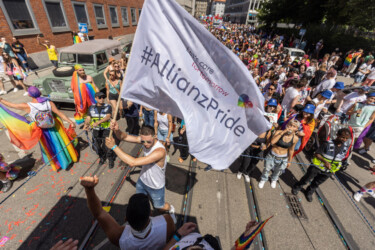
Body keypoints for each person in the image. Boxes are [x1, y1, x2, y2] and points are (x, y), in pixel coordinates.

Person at [80, 176, 175, 250]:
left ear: (126, 219)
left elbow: (99, 213)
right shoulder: (166, 222)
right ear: (150, 213)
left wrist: (89, 190)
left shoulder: (119, 237)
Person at [0, 86, 77, 171]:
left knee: (49, 146)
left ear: (29, 95)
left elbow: (11, 106)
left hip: (42, 131)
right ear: (39, 93)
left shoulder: (27, 106)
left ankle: (57, 161)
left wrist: (1, 100)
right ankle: (65, 158)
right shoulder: (48, 102)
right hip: (54, 127)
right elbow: (59, 113)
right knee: (59, 143)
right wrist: (70, 121)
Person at [105, 122, 175, 214]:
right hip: (142, 181)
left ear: (154, 137)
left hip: (155, 186)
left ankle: (170, 209)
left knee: (160, 207)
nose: (145, 144)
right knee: (141, 204)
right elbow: (124, 137)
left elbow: (133, 162)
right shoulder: (144, 140)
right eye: (143, 141)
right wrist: (116, 129)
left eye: (148, 141)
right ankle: (146, 218)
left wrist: (114, 147)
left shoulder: (160, 151)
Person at [292, 128, 351, 202]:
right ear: (337, 135)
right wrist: (325, 162)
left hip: (328, 171)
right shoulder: (327, 144)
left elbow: (340, 160)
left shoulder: (345, 148)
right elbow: (317, 154)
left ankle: (309, 192)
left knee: (317, 183)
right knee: (306, 179)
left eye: (346, 138)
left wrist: (334, 170)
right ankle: (297, 187)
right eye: (342, 137)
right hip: (317, 167)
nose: (344, 139)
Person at [258, 119, 299, 189]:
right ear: (287, 125)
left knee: (278, 170)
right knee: (267, 169)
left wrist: (289, 160)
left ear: (296, 129)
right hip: (272, 155)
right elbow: (272, 142)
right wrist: (283, 133)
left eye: (294, 126)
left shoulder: (295, 138)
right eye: (290, 125)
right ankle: (264, 179)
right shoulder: (279, 132)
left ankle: (274, 179)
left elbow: (291, 150)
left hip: (283, 158)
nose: (291, 127)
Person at [83, 92, 117, 168]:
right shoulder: (91, 108)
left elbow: (108, 116)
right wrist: (86, 125)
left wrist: (98, 122)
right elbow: (88, 118)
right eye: (100, 97)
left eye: (103, 97)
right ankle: (102, 157)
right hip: (96, 131)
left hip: (106, 130)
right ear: (96, 98)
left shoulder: (108, 107)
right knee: (96, 146)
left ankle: (110, 159)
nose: (102, 99)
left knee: (108, 146)